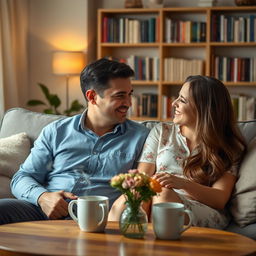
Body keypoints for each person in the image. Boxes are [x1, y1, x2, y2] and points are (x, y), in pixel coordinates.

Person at [0, 58, 149, 224]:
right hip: (44, 211)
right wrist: (42, 197)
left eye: (130, 94)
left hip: (98, 218)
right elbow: (22, 176)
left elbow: (143, 185)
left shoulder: (141, 136)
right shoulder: (56, 131)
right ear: (92, 96)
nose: (128, 103)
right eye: (120, 96)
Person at [109, 75, 246, 229]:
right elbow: (143, 177)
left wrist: (182, 183)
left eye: (182, 100)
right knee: (134, 196)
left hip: (201, 207)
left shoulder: (229, 146)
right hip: (157, 196)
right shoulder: (162, 132)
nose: (174, 104)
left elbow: (219, 198)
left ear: (204, 108)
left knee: (164, 195)